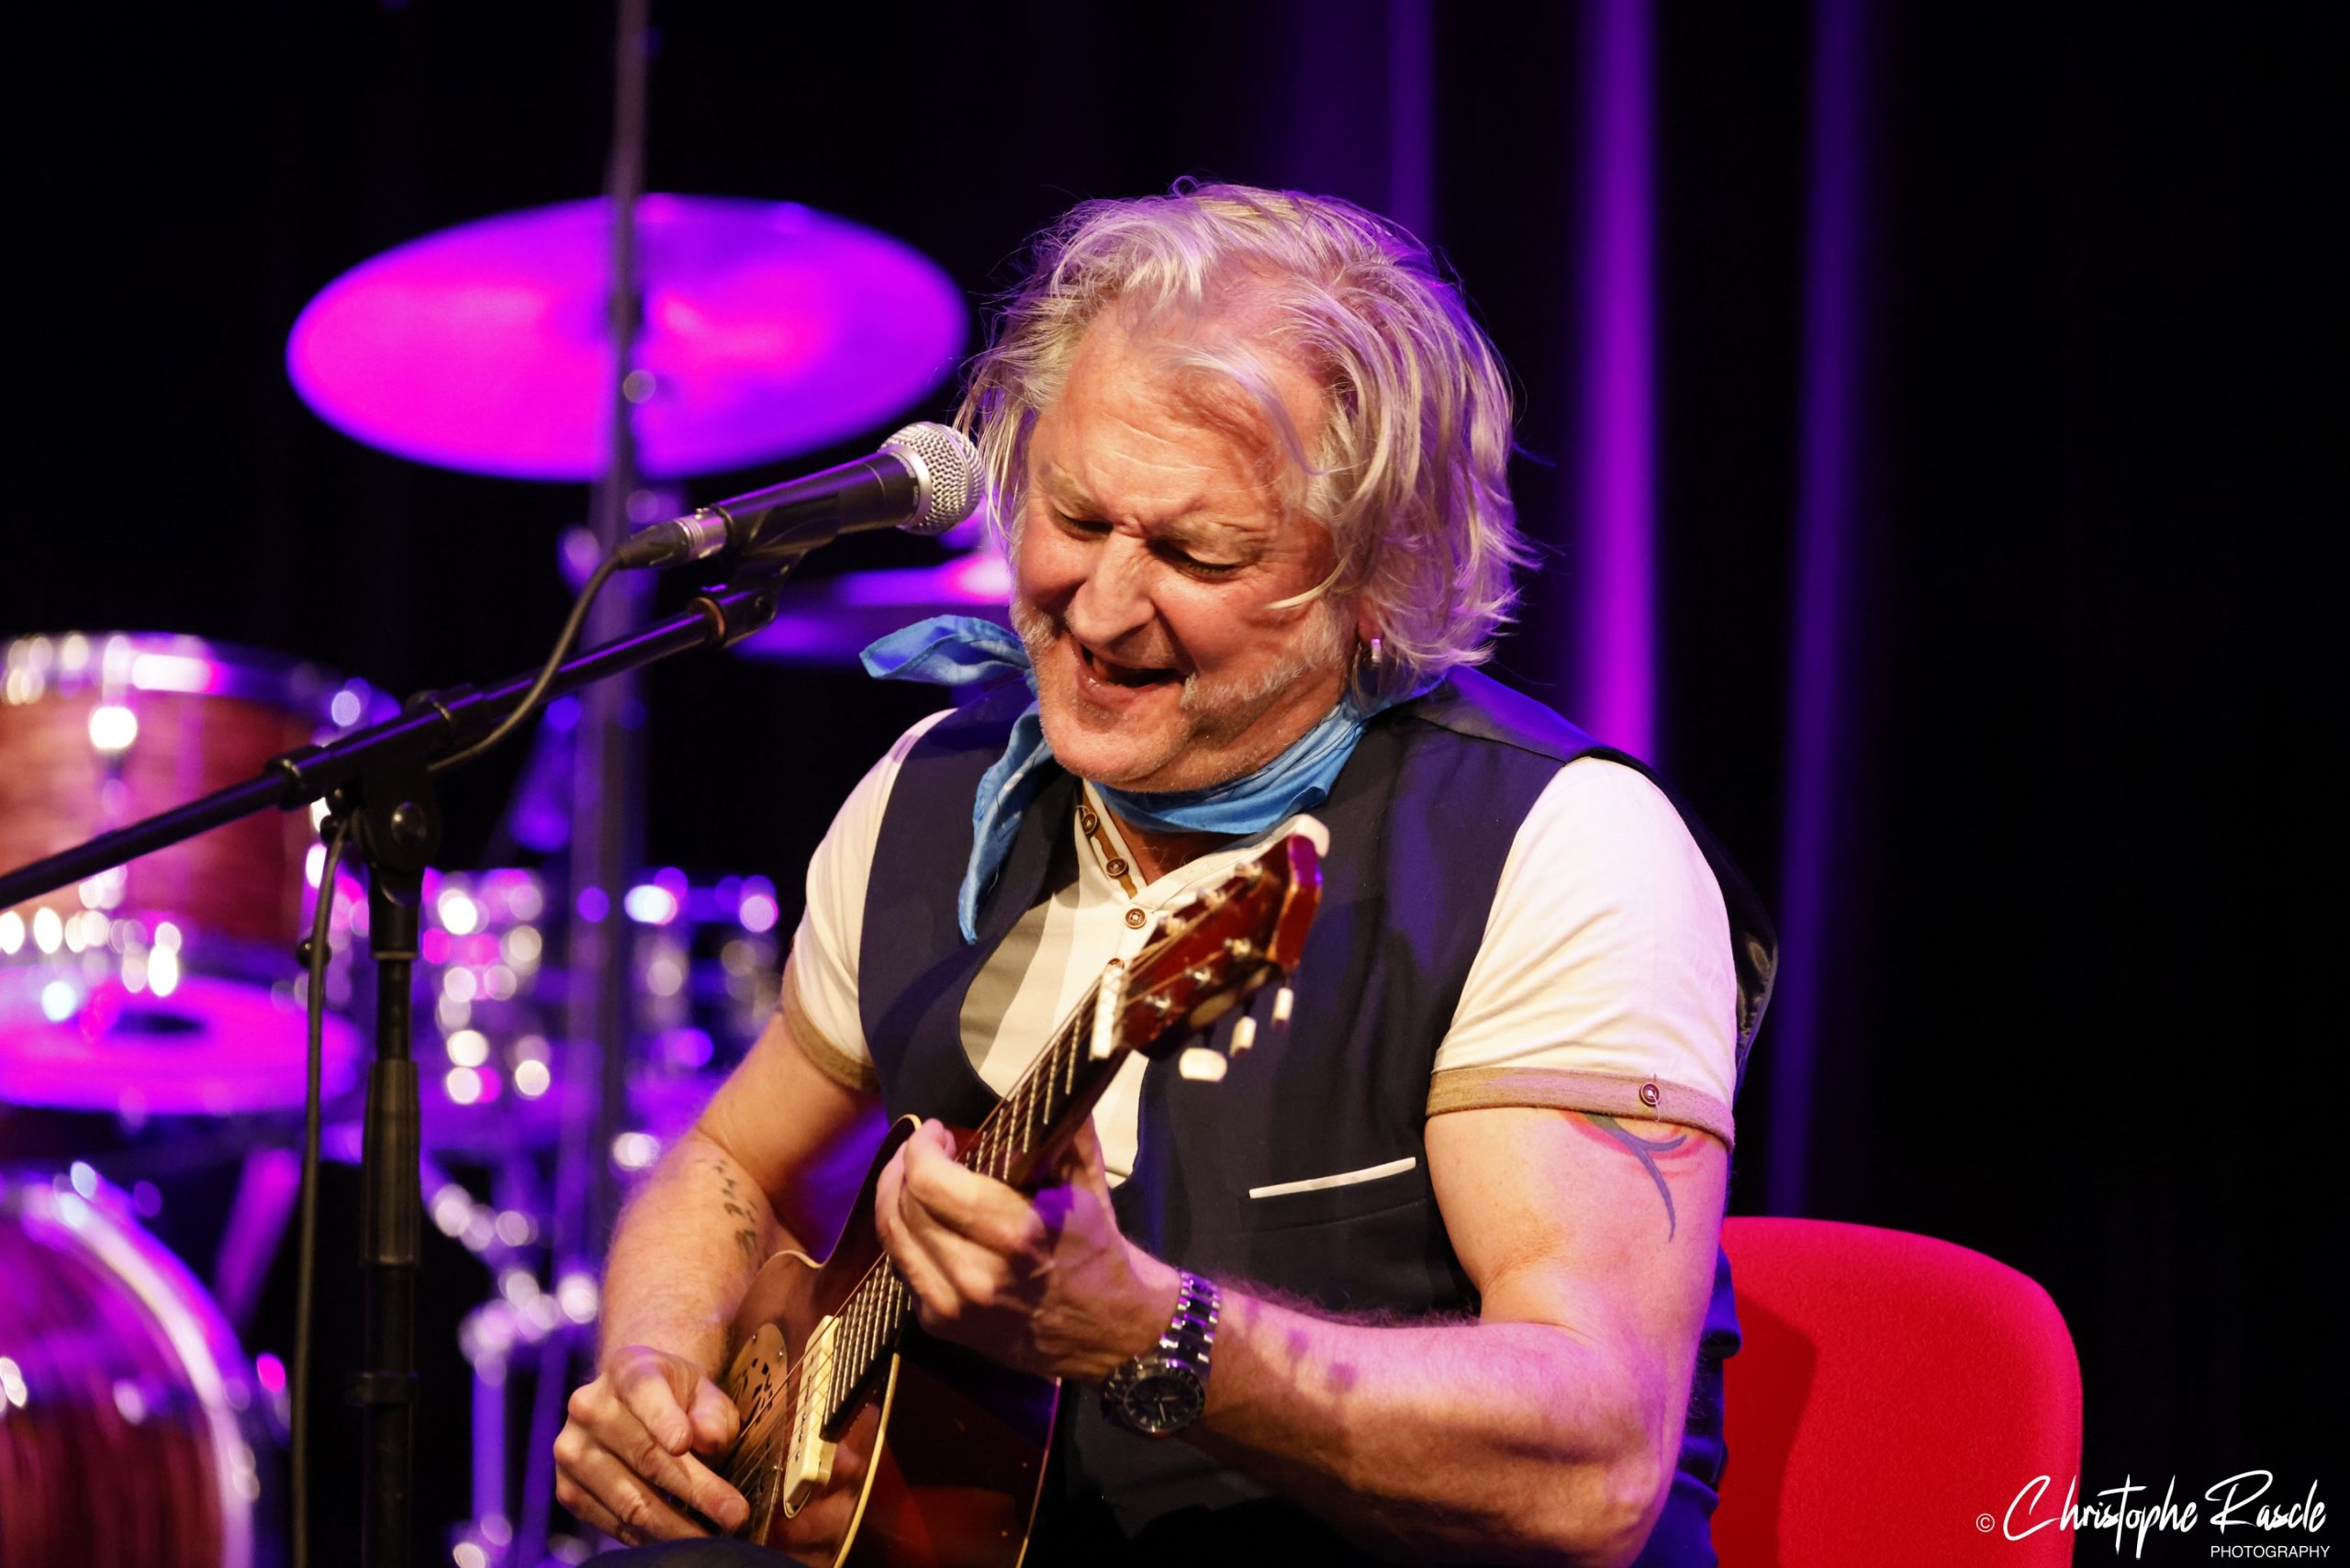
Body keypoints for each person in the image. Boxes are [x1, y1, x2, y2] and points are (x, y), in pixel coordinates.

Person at [554, 182, 1773, 1568]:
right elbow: (730, 1162)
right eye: (1074, 517)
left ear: (1383, 574)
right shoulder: (931, 792)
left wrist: (1152, 1333)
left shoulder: (1558, 847)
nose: (1101, 606)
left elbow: (1597, 1464)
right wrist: (658, 1369)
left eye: (1196, 551)